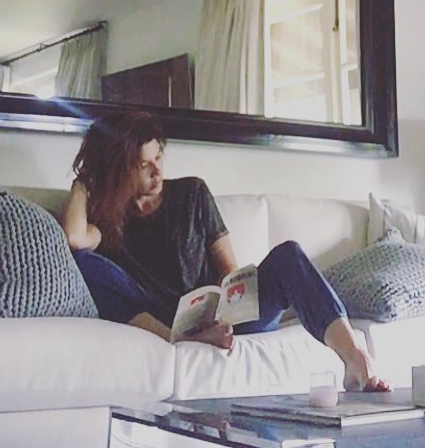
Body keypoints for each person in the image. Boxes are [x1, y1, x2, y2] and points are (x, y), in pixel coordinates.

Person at [61, 109, 389, 392]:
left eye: (158, 157)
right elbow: (74, 239)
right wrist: (85, 181)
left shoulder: (192, 193)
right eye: (142, 165)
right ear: (118, 168)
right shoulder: (107, 218)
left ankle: (355, 357)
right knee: (86, 263)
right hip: (159, 320)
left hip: (221, 318)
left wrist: (226, 306)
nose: (157, 171)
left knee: (289, 255)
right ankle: (181, 341)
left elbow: (230, 272)